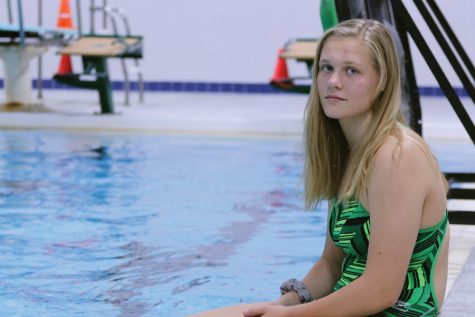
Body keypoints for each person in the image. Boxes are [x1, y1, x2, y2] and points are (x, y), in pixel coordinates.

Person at [189, 18, 450, 317]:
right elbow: (332, 264)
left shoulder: (398, 156)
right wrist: (282, 304)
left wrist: (289, 316)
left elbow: (383, 290)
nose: (333, 81)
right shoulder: (347, 152)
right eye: (326, 68)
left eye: (351, 70)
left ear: (382, 82)